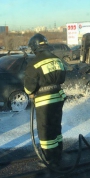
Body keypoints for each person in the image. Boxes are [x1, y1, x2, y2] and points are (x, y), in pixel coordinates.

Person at [24, 34, 67, 169]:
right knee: (56, 127)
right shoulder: (57, 60)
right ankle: (57, 155)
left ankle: (48, 160)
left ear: (35, 48)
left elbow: (28, 87)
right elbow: (62, 78)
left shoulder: (34, 64)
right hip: (58, 97)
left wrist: (30, 93)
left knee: (45, 130)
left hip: (44, 101)